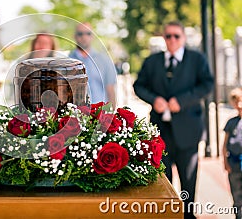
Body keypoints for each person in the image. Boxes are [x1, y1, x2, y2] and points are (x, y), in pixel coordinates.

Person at [133, 21, 214, 219]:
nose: (172, 40)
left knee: (188, 180)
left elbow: (207, 85)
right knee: (163, 181)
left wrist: (183, 101)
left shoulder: (197, 59)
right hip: (161, 132)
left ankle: (188, 215)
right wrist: (154, 99)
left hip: (188, 130)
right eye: (168, 36)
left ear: (183, 37)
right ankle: (167, 215)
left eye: (176, 36)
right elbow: (139, 86)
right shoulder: (152, 61)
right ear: (164, 38)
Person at [68, 22, 117, 107]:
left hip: (100, 113)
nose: (84, 37)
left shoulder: (104, 60)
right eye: (80, 34)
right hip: (75, 114)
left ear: (92, 36)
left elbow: (110, 90)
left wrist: (110, 115)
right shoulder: (67, 61)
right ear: (75, 36)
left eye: (88, 33)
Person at [223, 87, 242, 219]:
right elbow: (224, 145)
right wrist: (225, 162)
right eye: (236, 102)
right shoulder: (231, 122)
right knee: (236, 194)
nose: (239, 105)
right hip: (234, 162)